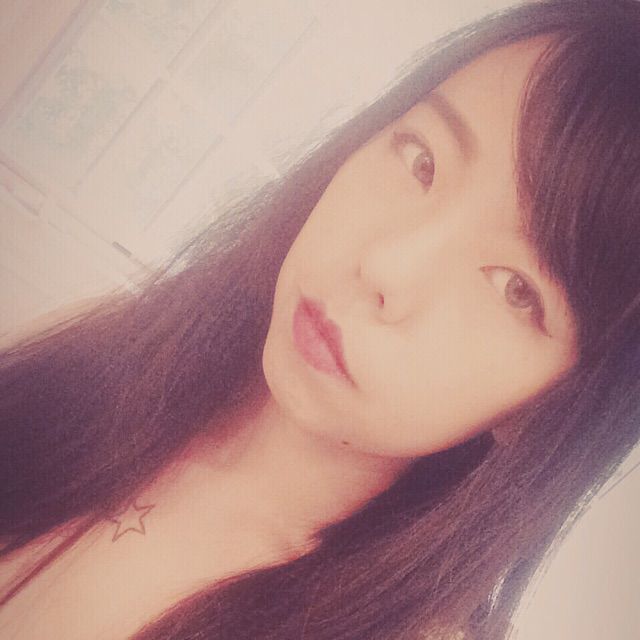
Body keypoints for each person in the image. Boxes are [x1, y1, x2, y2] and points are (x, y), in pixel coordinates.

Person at [1, 0, 640, 638]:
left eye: (515, 289)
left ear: (553, 404)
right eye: (422, 161)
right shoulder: (108, 352)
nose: (385, 265)